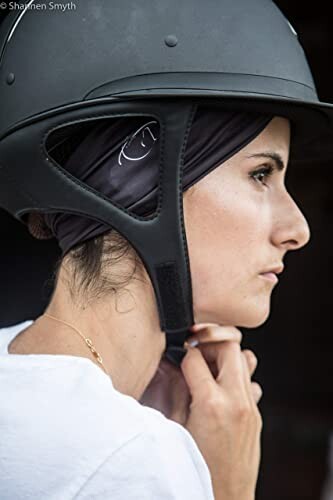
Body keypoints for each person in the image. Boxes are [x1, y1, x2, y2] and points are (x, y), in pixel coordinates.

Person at [0, 1, 331, 499]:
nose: (298, 229)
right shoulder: (132, 456)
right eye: (261, 174)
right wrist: (227, 487)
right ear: (140, 183)